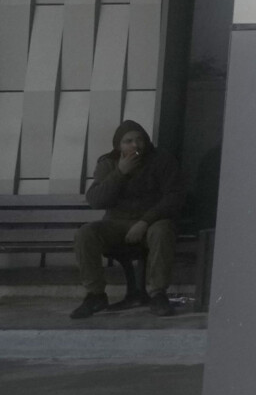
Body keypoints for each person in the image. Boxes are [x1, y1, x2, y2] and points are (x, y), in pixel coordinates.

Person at [69, 120, 188, 318]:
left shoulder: (161, 160)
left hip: (152, 222)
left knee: (162, 230)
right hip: (117, 223)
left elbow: (174, 196)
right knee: (85, 233)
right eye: (128, 141)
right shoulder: (108, 163)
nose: (135, 145)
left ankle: (158, 294)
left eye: (139, 139)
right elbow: (96, 200)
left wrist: (145, 221)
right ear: (119, 145)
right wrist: (120, 173)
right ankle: (95, 295)